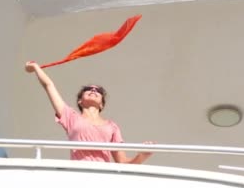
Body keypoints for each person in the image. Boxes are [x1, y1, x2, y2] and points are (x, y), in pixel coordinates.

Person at [25, 61, 153, 164]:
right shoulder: (70, 116)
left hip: (104, 176)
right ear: (80, 101)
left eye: (98, 91)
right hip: (80, 174)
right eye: (88, 89)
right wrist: (36, 68)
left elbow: (123, 162)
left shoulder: (112, 126)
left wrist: (142, 155)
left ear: (102, 103)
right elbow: (49, 86)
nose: (93, 90)